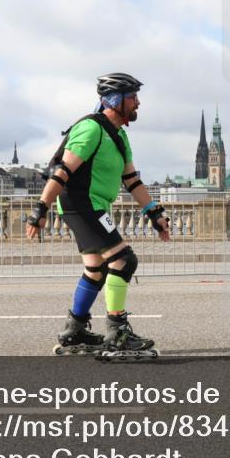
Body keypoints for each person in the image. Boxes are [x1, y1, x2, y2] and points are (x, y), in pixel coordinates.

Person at [26, 73, 170, 360]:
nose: (138, 102)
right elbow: (62, 171)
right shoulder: (91, 129)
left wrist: (154, 213)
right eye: (133, 97)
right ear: (115, 100)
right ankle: (117, 331)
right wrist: (40, 209)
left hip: (94, 206)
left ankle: (74, 331)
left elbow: (132, 180)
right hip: (80, 204)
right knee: (123, 259)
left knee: (97, 269)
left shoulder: (119, 135)